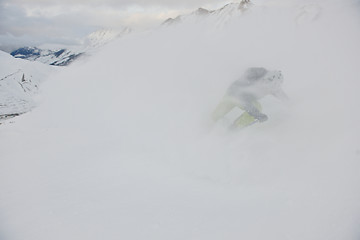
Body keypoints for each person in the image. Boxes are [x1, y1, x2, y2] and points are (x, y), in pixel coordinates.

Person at [212, 67, 288, 129]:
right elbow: (241, 98)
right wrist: (257, 114)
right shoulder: (253, 78)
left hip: (247, 99)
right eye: (267, 86)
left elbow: (283, 97)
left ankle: (235, 128)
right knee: (216, 115)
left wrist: (293, 106)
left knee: (257, 108)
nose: (267, 90)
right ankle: (206, 126)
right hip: (233, 94)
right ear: (265, 80)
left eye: (270, 89)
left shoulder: (272, 85)